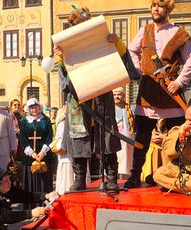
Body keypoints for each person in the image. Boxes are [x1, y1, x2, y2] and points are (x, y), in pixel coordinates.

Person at [55, 6, 133, 192]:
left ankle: (112, 179)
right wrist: (61, 59)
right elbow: (64, 83)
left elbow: (124, 65)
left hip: (102, 99)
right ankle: (80, 179)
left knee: (107, 138)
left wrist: (117, 44)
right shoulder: (66, 49)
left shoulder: (103, 42)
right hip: (78, 103)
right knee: (78, 140)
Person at [124, 0, 191, 188]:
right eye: (154, 5)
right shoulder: (144, 31)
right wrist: (140, 71)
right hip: (148, 91)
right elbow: (131, 50)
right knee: (142, 137)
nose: (156, 8)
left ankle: (174, 177)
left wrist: (179, 82)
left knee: (176, 137)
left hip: (170, 91)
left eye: (160, 5)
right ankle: (134, 175)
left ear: (168, 9)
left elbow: (189, 60)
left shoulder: (178, 33)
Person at [19, 98, 53, 207]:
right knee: (30, 181)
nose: (34, 109)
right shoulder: (23, 122)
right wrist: (31, 153)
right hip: (29, 157)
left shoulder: (46, 120)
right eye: (31, 108)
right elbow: (22, 139)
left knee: (44, 181)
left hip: (43, 155)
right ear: (28, 109)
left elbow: (49, 137)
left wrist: (43, 151)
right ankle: (31, 206)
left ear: (39, 107)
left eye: (35, 107)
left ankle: (45, 204)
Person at [113, 86, 135, 178]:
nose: (116, 96)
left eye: (119, 94)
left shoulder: (131, 109)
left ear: (123, 96)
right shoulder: (110, 110)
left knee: (126, 165)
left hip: (127, 143)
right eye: (114, 95)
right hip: (114, 141)